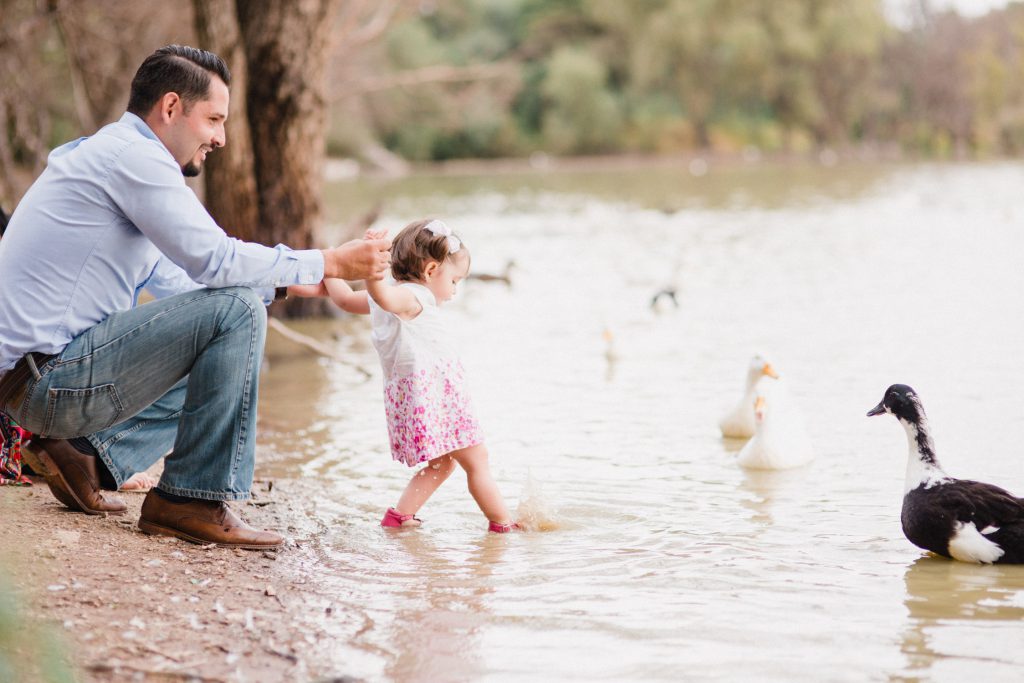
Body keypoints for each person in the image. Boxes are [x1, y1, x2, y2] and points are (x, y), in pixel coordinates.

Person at [0, 45, 390, 548]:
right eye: (213, 119)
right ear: (170, 108)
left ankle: (85, 455)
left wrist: (300, 283)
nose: (220, 138)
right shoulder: (134, 158)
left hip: (35, 382)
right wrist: (329, 260)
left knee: (233, 332)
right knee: (236, 311)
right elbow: (217, 263)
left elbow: (183, 284)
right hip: (43, 381)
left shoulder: (113, 155)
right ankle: (191, 499)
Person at [325, 219, 520, 533]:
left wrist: (330, 264)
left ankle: (400, 516)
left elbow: (345, 299)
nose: (455, 291)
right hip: (435, 399)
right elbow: (385, 297)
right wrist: (371, 272)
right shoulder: (412, 298)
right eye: (455, 281)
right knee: (477, 460)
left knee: (443, 463)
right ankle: (503, 524)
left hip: (421, 399)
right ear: (431, 272)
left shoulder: (393, 298)